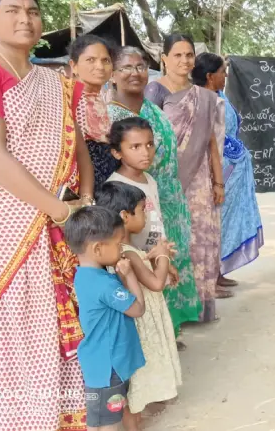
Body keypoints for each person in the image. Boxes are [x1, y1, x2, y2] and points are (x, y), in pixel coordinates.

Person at [0, 0, 96, 429]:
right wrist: (59, 211)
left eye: (32, 11)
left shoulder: (56, 82)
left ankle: (59, 415)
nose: (25, 18)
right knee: (16, 321)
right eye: (12, 11)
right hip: (4, 222)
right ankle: (14, 418)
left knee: (56, 320)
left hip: (60, 219)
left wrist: (84, 203)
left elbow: (79, 148)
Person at [108, 46, 200, 344]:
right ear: (112, 74)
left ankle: (170, 329)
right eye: (126, 67)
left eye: (140, 66)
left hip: (167, 198)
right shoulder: (108, 114)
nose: (135, 73)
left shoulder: (154, 110)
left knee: (169, 259)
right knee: (142, 265)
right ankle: (151, 338)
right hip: (134, 203)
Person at [145, 34, 225, 323]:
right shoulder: (154, 91)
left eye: (189, 55)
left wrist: (218, 181)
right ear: (164, 59)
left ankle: (199, 306)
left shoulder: (204, 96)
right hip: (166, 179)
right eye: (177, 55)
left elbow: (211, 142)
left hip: (200, 180)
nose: (184, 60)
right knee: (172, 242)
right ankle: (172, 314)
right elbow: (147, 136)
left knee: (201, 240)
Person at [97, 181, 181, 424]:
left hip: (138, 318)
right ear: (125, 216)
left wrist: (154, 258)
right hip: (142, 322)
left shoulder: (122, 249)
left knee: (135, 377)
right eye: (142, 210)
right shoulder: (128, 252)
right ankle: (134, 424)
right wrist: (163, 256)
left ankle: (135, 419)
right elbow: (155, 283)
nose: (145, 215)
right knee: (138, 377)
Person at [66, 206, 146, 431]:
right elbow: (138, 308)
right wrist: (129, 275)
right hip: (110, 367)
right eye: (118, 244)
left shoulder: (84, 275)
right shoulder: (105, 285)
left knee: (101, 418)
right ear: (98, 249)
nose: (121, 249)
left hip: (99, 363)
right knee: (109, 423)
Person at [191, 53, 264, 296]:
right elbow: (208, 141)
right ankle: (208, 279)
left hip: (232, 169)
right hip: (218, 171)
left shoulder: (219, 96)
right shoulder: (201, 101)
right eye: (222, 72)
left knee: (224, 221)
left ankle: (218, 272)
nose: (226, 76)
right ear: (210, 76)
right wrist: (217, 178)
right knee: (213, 223)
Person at [70, 34, 119, 190]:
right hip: (79, 189)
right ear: (74, 66)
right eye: (90, 60)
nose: (100, 67)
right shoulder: (66, 100)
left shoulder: (101, 100)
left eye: (106, 60)